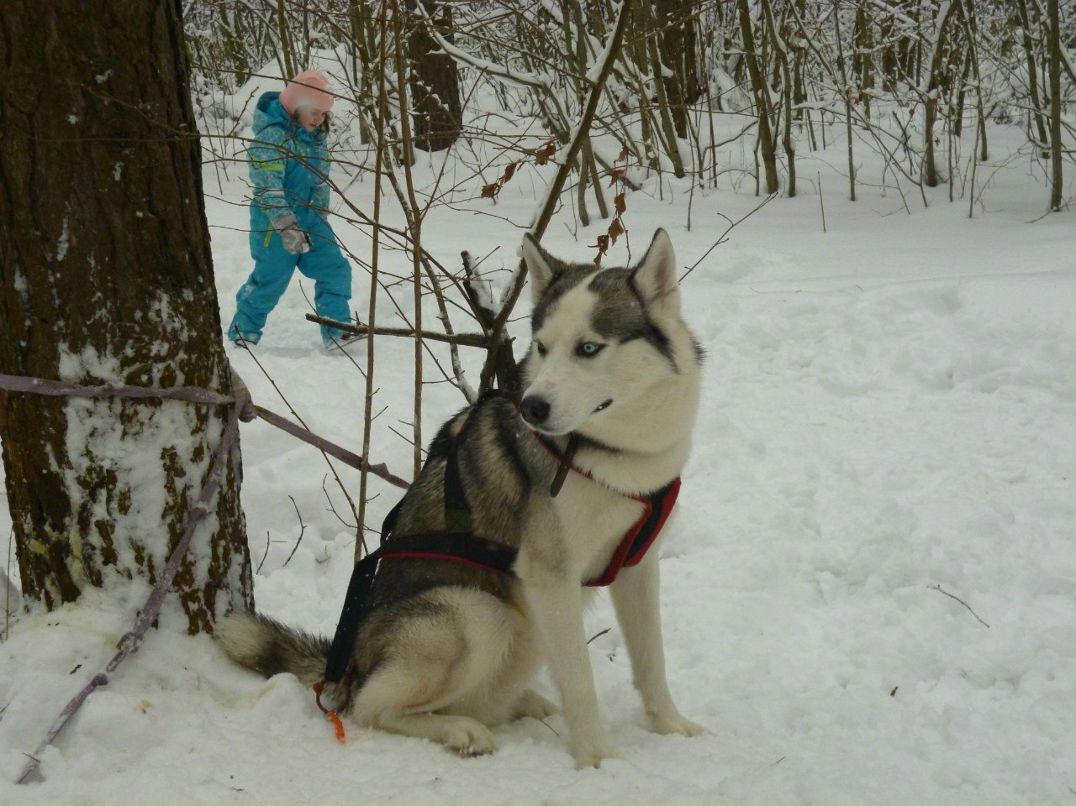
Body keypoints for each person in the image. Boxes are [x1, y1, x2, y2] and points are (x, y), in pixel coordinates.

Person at [227, 69, 355, 350]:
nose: (318, 119)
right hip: (274, 222)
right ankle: (243, 331)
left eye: (323, 114)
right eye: (312, 111)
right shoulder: (272, 138)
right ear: (295, 106)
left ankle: (337, 329)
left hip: (310, 218)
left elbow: (320, 183)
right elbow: (267, 188)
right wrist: (286, 225)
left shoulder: (316, 141)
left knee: (334, 268)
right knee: (272, 278)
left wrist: (319, 219)